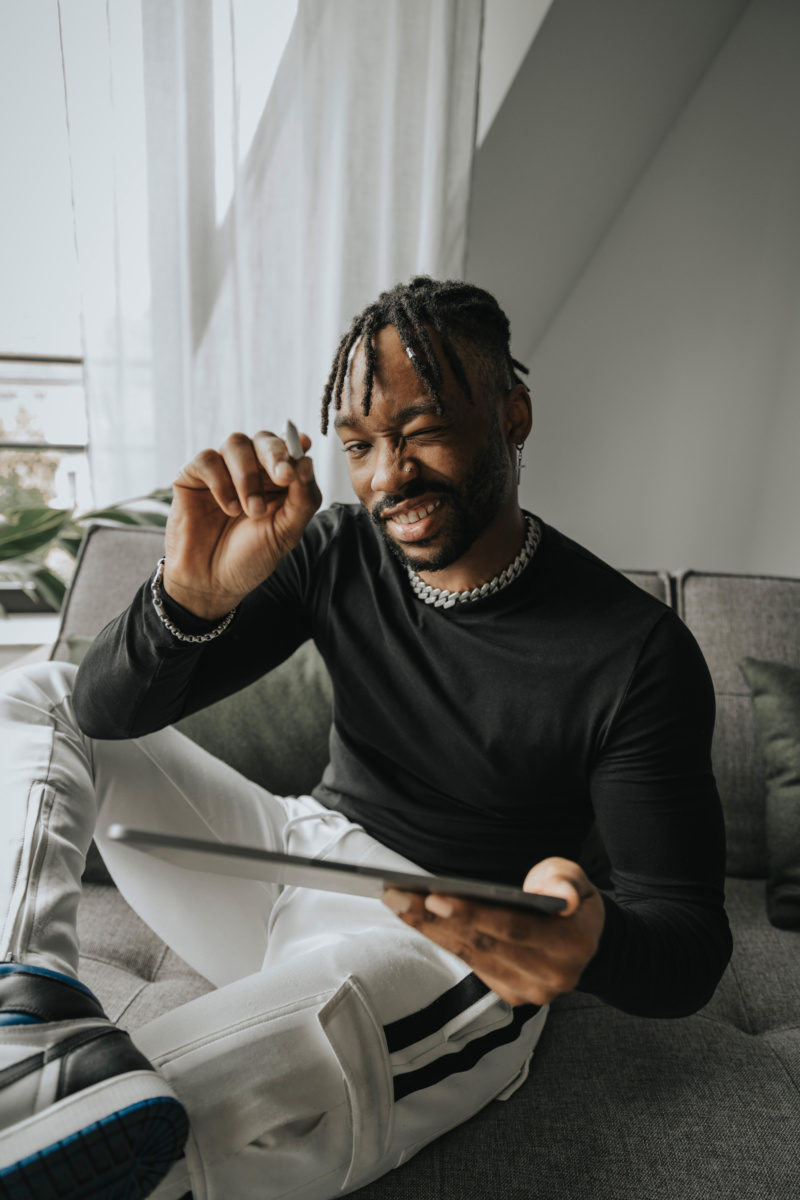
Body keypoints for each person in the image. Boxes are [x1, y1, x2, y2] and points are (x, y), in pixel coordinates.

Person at [0, 277, 732, 1200]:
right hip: (296, 856)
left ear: (514, 413)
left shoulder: (637, 652)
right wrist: (191, 598)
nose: (388, 475)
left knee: (113, 1118)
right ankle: (16, 1003)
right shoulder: (339, 549)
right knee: (44, 693)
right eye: (360, 444)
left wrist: (589, 941)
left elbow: (690, 943)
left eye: (421, 430)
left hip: (444, 946)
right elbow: (103, 718)